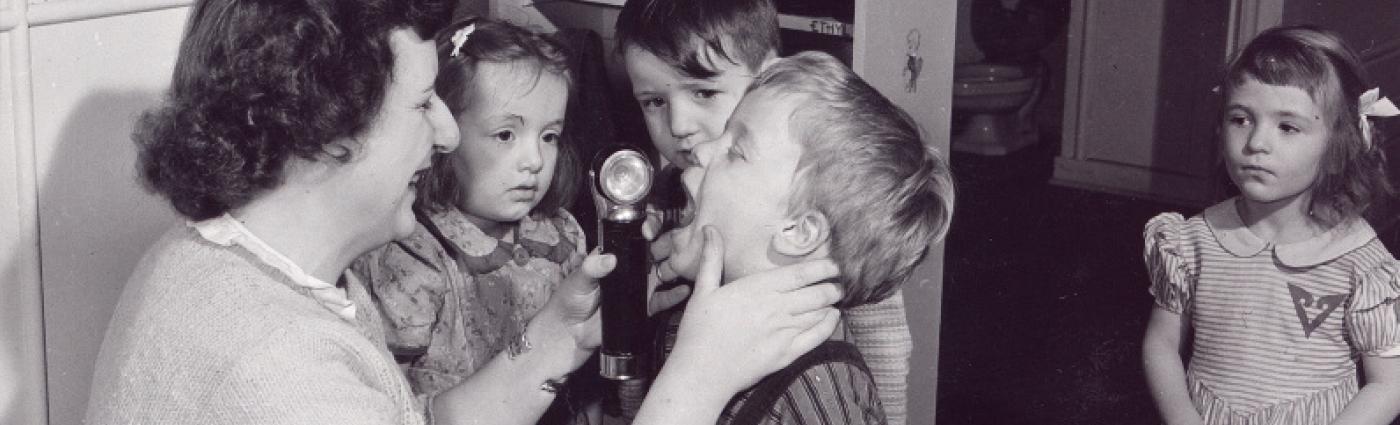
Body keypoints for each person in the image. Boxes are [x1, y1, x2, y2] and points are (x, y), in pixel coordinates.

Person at [83, 1, 844, 424]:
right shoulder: (280, 378)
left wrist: (558, 337)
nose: (448, 133)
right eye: (422, 105)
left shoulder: (218, 261)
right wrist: (699, 381)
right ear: (331, 134)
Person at [614, 1, 916, 423]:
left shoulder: (835, 201)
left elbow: (882, 342)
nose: (680, 124)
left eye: (704, 92)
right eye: (653, 101)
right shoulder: (661, 201)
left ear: (767, 75)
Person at [657, 51, 953, 425]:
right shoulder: (691, 323)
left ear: (798, 231)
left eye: (735, 150)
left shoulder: (821, 392)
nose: (699, 151)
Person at [1141, 25, 1400, 425]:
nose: (1256, 142)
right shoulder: (1192, 240)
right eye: (1241, 118)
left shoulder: (1361, 265)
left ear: (1337, 149)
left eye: (1287, 126)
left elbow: (1388, 384)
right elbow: (1161, 342)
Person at [351, 20, 595, 421]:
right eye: (505, 135)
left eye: (549, 136)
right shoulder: (412, 252)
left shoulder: (562, 234)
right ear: (444, 131)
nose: (534, 160)